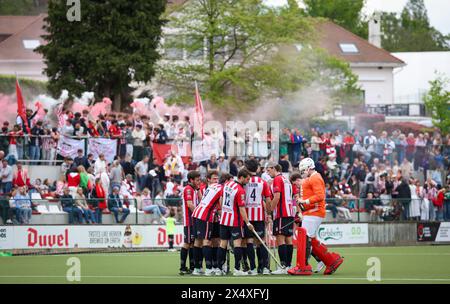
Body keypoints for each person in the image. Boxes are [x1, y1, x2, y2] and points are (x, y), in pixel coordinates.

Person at [288, 158, 344, 276]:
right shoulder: (313, 177)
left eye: (303, 170)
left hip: (314, 212)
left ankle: (302, 266)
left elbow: (320, 196)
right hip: (311, 212)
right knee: (311, 241)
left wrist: (305, 201)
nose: (302, 172)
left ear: (308, 168)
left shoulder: (315, 177)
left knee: (305, 239)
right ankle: (331, 261)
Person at [216, 169, 253, 276]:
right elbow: (242, 209)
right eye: (247, 179)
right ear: (241, 177)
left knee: (223, 244)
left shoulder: (227, 184)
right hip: (234, 221)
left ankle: (219, 269)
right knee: (237, 243)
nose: (248, 181)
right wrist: (248, 223)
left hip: (224, 219)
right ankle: (237, 269)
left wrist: (223, 211)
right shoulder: (240, 190)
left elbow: (221, 199)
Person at [242, 159, 272, 275]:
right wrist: (268, 214)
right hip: (259, 215)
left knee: (249, 241)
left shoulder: (244, 181)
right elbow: (268, 200)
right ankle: (264, 267)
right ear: (257, 169)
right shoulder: (262, 182)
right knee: (261, 242)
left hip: (247, 216)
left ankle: (253, 268)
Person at [191, 170, 223, 276]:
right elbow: (221, 204)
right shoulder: (220, 188)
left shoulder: (209, 188)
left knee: (197, 242)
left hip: (197, 213)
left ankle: (197, 268)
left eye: (217, 179)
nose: (216, 180)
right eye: (214, 178)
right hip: (205, 215)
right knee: (206, 242)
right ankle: (209, 269)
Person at [266, 163, 295, 274]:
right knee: (288, 239)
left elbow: (277, 197)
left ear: (274, 169)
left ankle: (283, 266)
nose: (268, 173)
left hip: (281, 213)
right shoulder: (286, 179)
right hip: (289, 213)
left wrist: (270, 210)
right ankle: (288, 265)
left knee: (280, 238)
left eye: (269, 170)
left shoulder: (277, 179)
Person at [179, 171, 201, 275]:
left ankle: (192, 267)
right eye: (197, 180)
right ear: (191, 180)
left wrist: (199, 189)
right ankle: (182, 267)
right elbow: (189, 204)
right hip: (189, 221)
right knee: (187, 243)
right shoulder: (188, 189)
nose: (199, 182)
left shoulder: (194, 189)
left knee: (192, 244)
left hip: (193, 221)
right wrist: (199, 214)